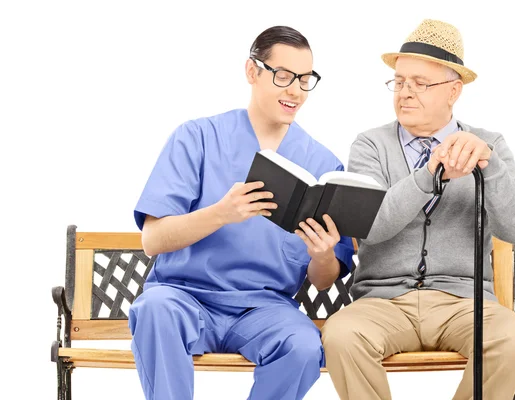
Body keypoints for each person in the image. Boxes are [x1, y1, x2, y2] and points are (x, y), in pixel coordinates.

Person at [128, 25, 355, 400]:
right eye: (283, 76)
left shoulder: (323, 163)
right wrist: (221, 213)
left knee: (302, 346)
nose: (295, 90)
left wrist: (323, 254)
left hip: (265, 309)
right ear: (252, 72)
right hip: (184, 298)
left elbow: (323, 280)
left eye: (305, 79)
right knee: (154, 310)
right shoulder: (196, 138)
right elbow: (152, 240)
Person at [321, 19, 515, 400]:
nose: (405, 93)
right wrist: (429, 173)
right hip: (382, 303)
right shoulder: (370, 145)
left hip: (465, 303)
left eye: (420, 83)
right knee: (341, 335)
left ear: (453, 91)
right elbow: (369, 226)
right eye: (399, 81)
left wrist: (491, 167)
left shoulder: (489, 144)